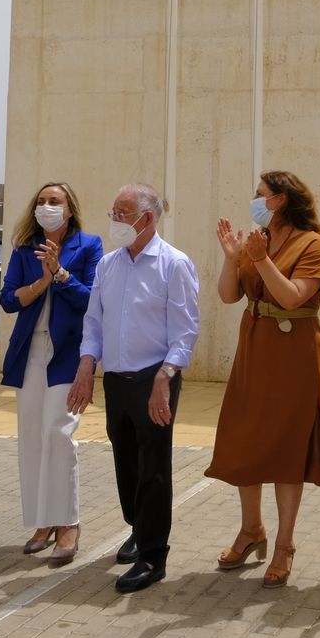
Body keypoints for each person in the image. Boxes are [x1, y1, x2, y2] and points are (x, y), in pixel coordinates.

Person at [69, 184, 199, 593]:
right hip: (117, 381)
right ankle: (138, 527)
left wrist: (166, 375)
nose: (115, 221)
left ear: (147, 219)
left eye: (123, 213)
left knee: (154, 469)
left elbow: (185, 330)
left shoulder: (174, 264)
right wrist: (86, 365)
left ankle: (152, 556)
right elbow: (93, 322)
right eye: (113, 212)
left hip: (153, 379)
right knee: (125, 462)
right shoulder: (108, 265)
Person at [207, 171, 320, 589]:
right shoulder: (255, 240)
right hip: (255, 347)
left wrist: (260, 259)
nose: (254, 200)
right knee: (247, 439)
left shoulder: (311, 243)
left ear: (281, 200)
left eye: (260, 194)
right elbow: (229, 296)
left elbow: (294, 296)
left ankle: (284, 544)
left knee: (285, 445)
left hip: (292, 353)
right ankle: (251, 529)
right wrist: (231, 257)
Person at [0, 182, 102, 564]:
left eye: (54, 201)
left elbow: (91, 300)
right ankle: (43, 521)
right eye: (41, 201)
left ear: (69, 210)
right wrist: (41, 280)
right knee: (31, 436)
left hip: (69, 353)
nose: (46, 206)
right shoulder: (24, 248)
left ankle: (68, 523)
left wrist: (59, 274)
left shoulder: (89, 245)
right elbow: (9, 300)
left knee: (58, 434)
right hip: (29, 351)